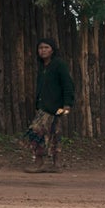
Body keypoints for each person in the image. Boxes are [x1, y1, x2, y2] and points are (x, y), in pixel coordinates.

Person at [22, 37, 75, 173]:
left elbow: (67, 84)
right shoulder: (42, 66)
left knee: (37, 132)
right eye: (41, 48)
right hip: (44, 106)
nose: (43, 50)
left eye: (46, 47)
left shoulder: (59, 65)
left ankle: (40, 163)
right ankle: (55, 165)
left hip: (56, 107)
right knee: (53, 133)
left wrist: (67, 104)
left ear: (52, 50)